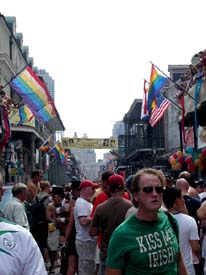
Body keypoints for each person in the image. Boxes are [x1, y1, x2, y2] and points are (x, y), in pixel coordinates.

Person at [106, 168, 187, 275]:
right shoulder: (121, 235)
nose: (154, 194)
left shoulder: (170, 220)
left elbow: (179, 260)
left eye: (159, 189)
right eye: (148, 189)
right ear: (135, 195)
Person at [0, 173, 47, 275]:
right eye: (26, 193)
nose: (27, 195)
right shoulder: (18, 206)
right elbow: (21, 223)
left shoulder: (8, 204)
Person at [89, 174, 132, 275]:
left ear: (109, 187)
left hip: (107, 252)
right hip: (127, 252)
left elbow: (92, 232)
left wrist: (103, 228)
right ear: (123, 186)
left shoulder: (101, 208)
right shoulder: (131, 206)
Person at [163, 187, 200, 275]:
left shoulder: (160, 221)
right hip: (187, 269)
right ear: (177, 200)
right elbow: (195, 248)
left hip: (167, 270)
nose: (184, 200)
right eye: (182, 197)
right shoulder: (190, 221)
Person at [74, 180, 98, 275]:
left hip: (88, 241)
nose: (93, 191)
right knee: (86, 268)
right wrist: (96, 216)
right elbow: (83, 221)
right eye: (92, 189)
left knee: (90, 267)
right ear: (84, 190)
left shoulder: (85, 202)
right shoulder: (82, 203)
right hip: (85, 241)